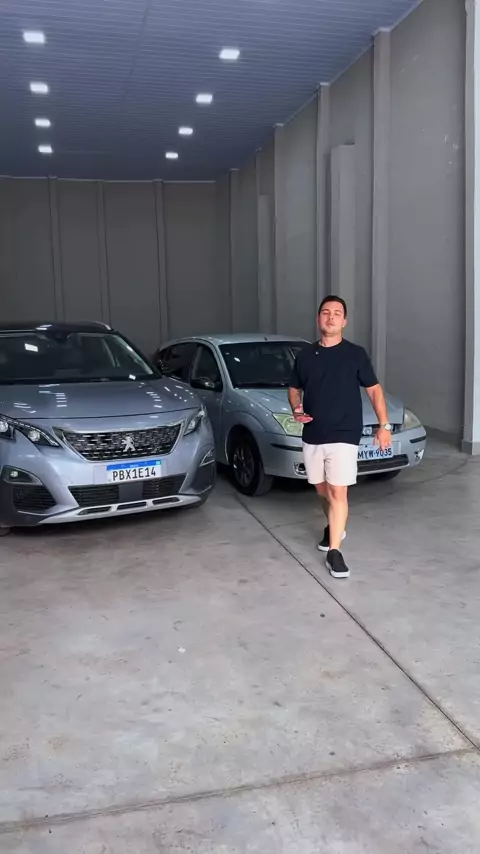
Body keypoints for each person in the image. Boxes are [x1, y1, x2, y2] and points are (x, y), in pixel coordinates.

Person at [288, 296, 392, 579]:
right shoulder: (305, 355)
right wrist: (296, 408)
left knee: (338, 491)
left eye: (336, 313)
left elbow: (374, 390)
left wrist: (384, 425)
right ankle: (335, 526)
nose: (331, 317)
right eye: (325, 312)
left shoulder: (355, 354)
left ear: (344, 321)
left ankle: (334, 552)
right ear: (318, 319)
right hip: (313, 433)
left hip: (345, 433)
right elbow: (294, 388)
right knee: (321, 490)